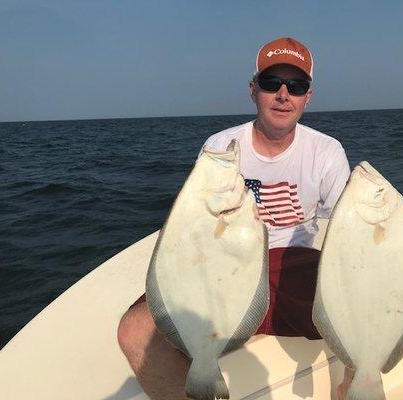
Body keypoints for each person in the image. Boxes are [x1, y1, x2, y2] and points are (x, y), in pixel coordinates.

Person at [118, 37, 354, 400]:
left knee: (364, 303)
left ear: (309, 96)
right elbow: (189, 226)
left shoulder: (326, 151)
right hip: (218, 266)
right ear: (253, 89)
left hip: (292, 262)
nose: (283, 94)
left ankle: (354, 389)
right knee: (135, 331)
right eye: (271, 83)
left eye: (296, 85)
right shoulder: (219, 148)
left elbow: (348, 234)